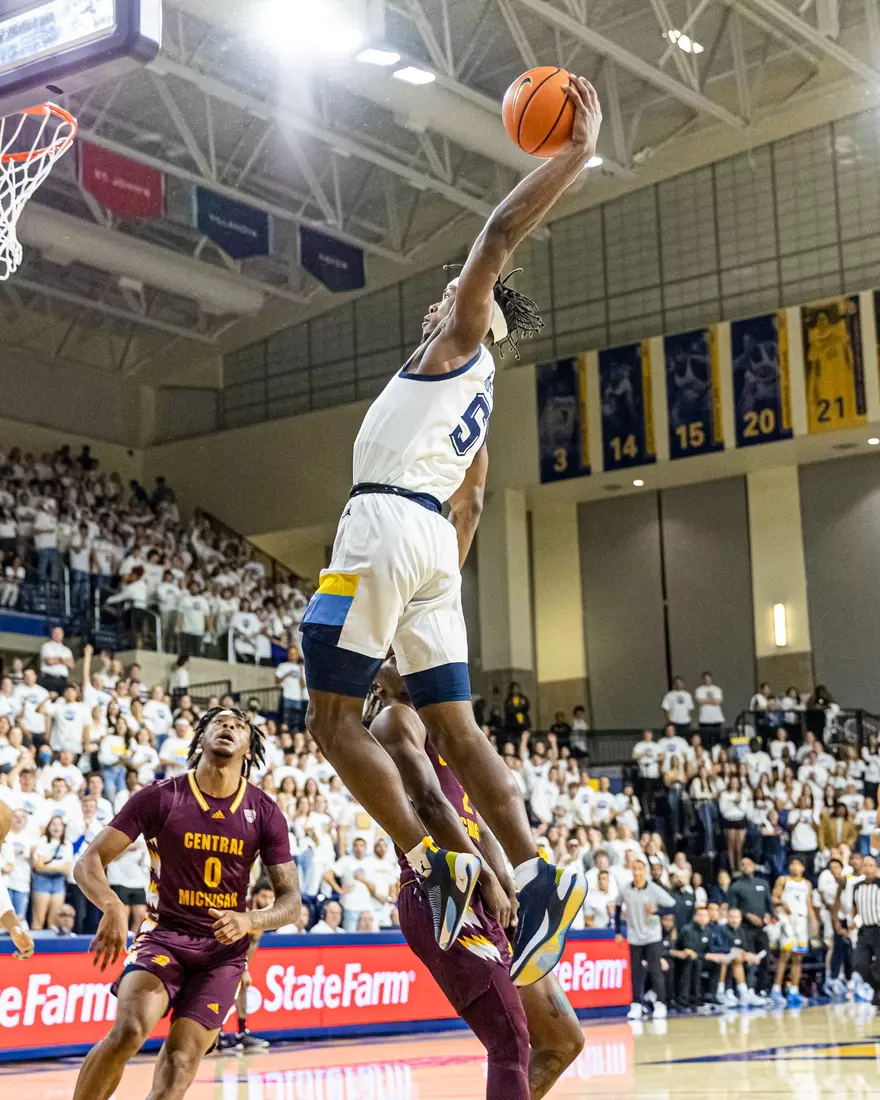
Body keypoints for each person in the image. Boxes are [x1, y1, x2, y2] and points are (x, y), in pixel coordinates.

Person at [300, 77, 601, 985]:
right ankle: (536, 872)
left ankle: (433, 860)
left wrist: (573, 155)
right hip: (435, 545)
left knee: (331, 718)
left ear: (477, 311)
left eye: (457, 290)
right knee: (455, 730)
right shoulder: (480, 396)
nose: (445, 291)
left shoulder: (462, 340)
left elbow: (497, 237)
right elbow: (470, 506)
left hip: (388, 523)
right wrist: (422, 597)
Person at [370, 658, 584, 1100]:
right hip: (441, 886)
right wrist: (486, 876)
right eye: (391, 657)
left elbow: (479, 821)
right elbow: (429, 805)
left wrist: (508, 882)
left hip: (484, 889)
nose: (402, 662)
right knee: (509, 1040)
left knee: (563, 1041)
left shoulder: (444, 727)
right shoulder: (394, 718)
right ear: (377, 677)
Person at [68, 708, 301, 1100]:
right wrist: (111, 905)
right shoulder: (162, 796)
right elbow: (88, 861)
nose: (229, 727)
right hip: (164, 937)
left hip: (223, 954)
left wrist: (250, 919)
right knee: (129, 1030)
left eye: (239, 725)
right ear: (201, 737)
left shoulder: (264, 811)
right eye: (220, 722)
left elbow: (291, 901)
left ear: (249, 746)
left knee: (180, 1063)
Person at [615, 855, 675, 1020]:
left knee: (655, 970)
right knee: (636, 973)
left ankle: (660, 1004)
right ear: (631, 870)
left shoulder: (654, 889)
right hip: (634, 936)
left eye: (640, 869)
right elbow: (618, 906)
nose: (637, 872)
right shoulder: (625, 888)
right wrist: (618, 931)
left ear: (645, 871)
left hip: (652, 936)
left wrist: (656, 912)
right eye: (634, 868)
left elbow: (672, 906)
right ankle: (636, 1005)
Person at [218, 879, 275, 1051]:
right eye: (264, 896)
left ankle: (241, 1033)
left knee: (242, 986)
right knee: (221, 991)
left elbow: (253, 944)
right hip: (222, 951)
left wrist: (245, 969)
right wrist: (241, 969)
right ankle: (217, 1034)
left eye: (271, 898)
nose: (267, 901)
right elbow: (235, 942)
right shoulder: (244, 910)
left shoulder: (264, 916)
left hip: (238, 957)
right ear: (255, 895)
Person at [770, 856, 816, 1008]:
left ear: (803, 868)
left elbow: (808, 904)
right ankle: (776, 989)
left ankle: (794, 990)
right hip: (788, 919)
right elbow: (773, 897)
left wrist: (814, 921)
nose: (794, 867)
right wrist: (783, 902)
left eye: (798, 864)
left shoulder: (807, 884)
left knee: (798, 956)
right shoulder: (783, 880)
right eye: (792, 864)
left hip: (802, 920)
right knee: (785, 954)